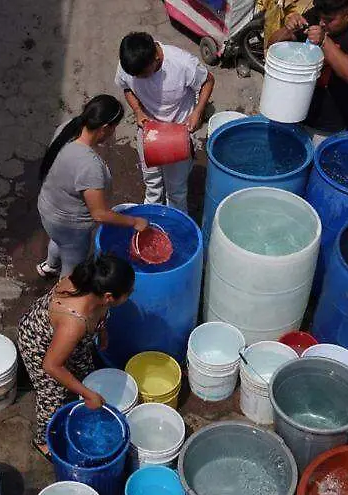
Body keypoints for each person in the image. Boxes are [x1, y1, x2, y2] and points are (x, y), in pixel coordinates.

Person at [18, 255, 135, 458]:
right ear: (108, 296)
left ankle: (77, 390)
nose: (132, 294)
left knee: (84, 372)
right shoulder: (74, 322)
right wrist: (89, 395)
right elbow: (51, 365)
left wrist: (102, 331)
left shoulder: (91, 281)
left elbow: (100, 313)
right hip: (39, 345)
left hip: (69, 340)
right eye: (128, 293)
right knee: (53, 395)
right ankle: (42, 442)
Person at [36, 95, 149, 279]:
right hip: (71, 225)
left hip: (49, 212)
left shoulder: (67, 127)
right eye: (114, 128)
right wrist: (135, 222)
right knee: (73, 268)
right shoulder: (89, 166)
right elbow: (100, 214)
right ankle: (62, 298)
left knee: (58, 241)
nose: (113, 133)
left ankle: (49, 266)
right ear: (105, 128)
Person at [115, 31, 215, 213]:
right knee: (152, 185)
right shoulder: (130, 64)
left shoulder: (182, 63)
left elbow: (208, 80)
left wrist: (197, 112)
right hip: (148, 132)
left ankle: (174, 226)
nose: (140, 79)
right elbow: (126, 88)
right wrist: (138, 111)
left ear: (155, 58)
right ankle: (151, 220)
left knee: (176, 192)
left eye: (144, 75)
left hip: (177, 134)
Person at [269, 0, 348, 140]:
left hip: (326, 125)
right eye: (320, 17)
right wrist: (287, 29)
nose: (321, 23)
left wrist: (324, 41)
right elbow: (272, 46)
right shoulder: (316, 16)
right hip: (291, 111)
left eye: (329, 20)